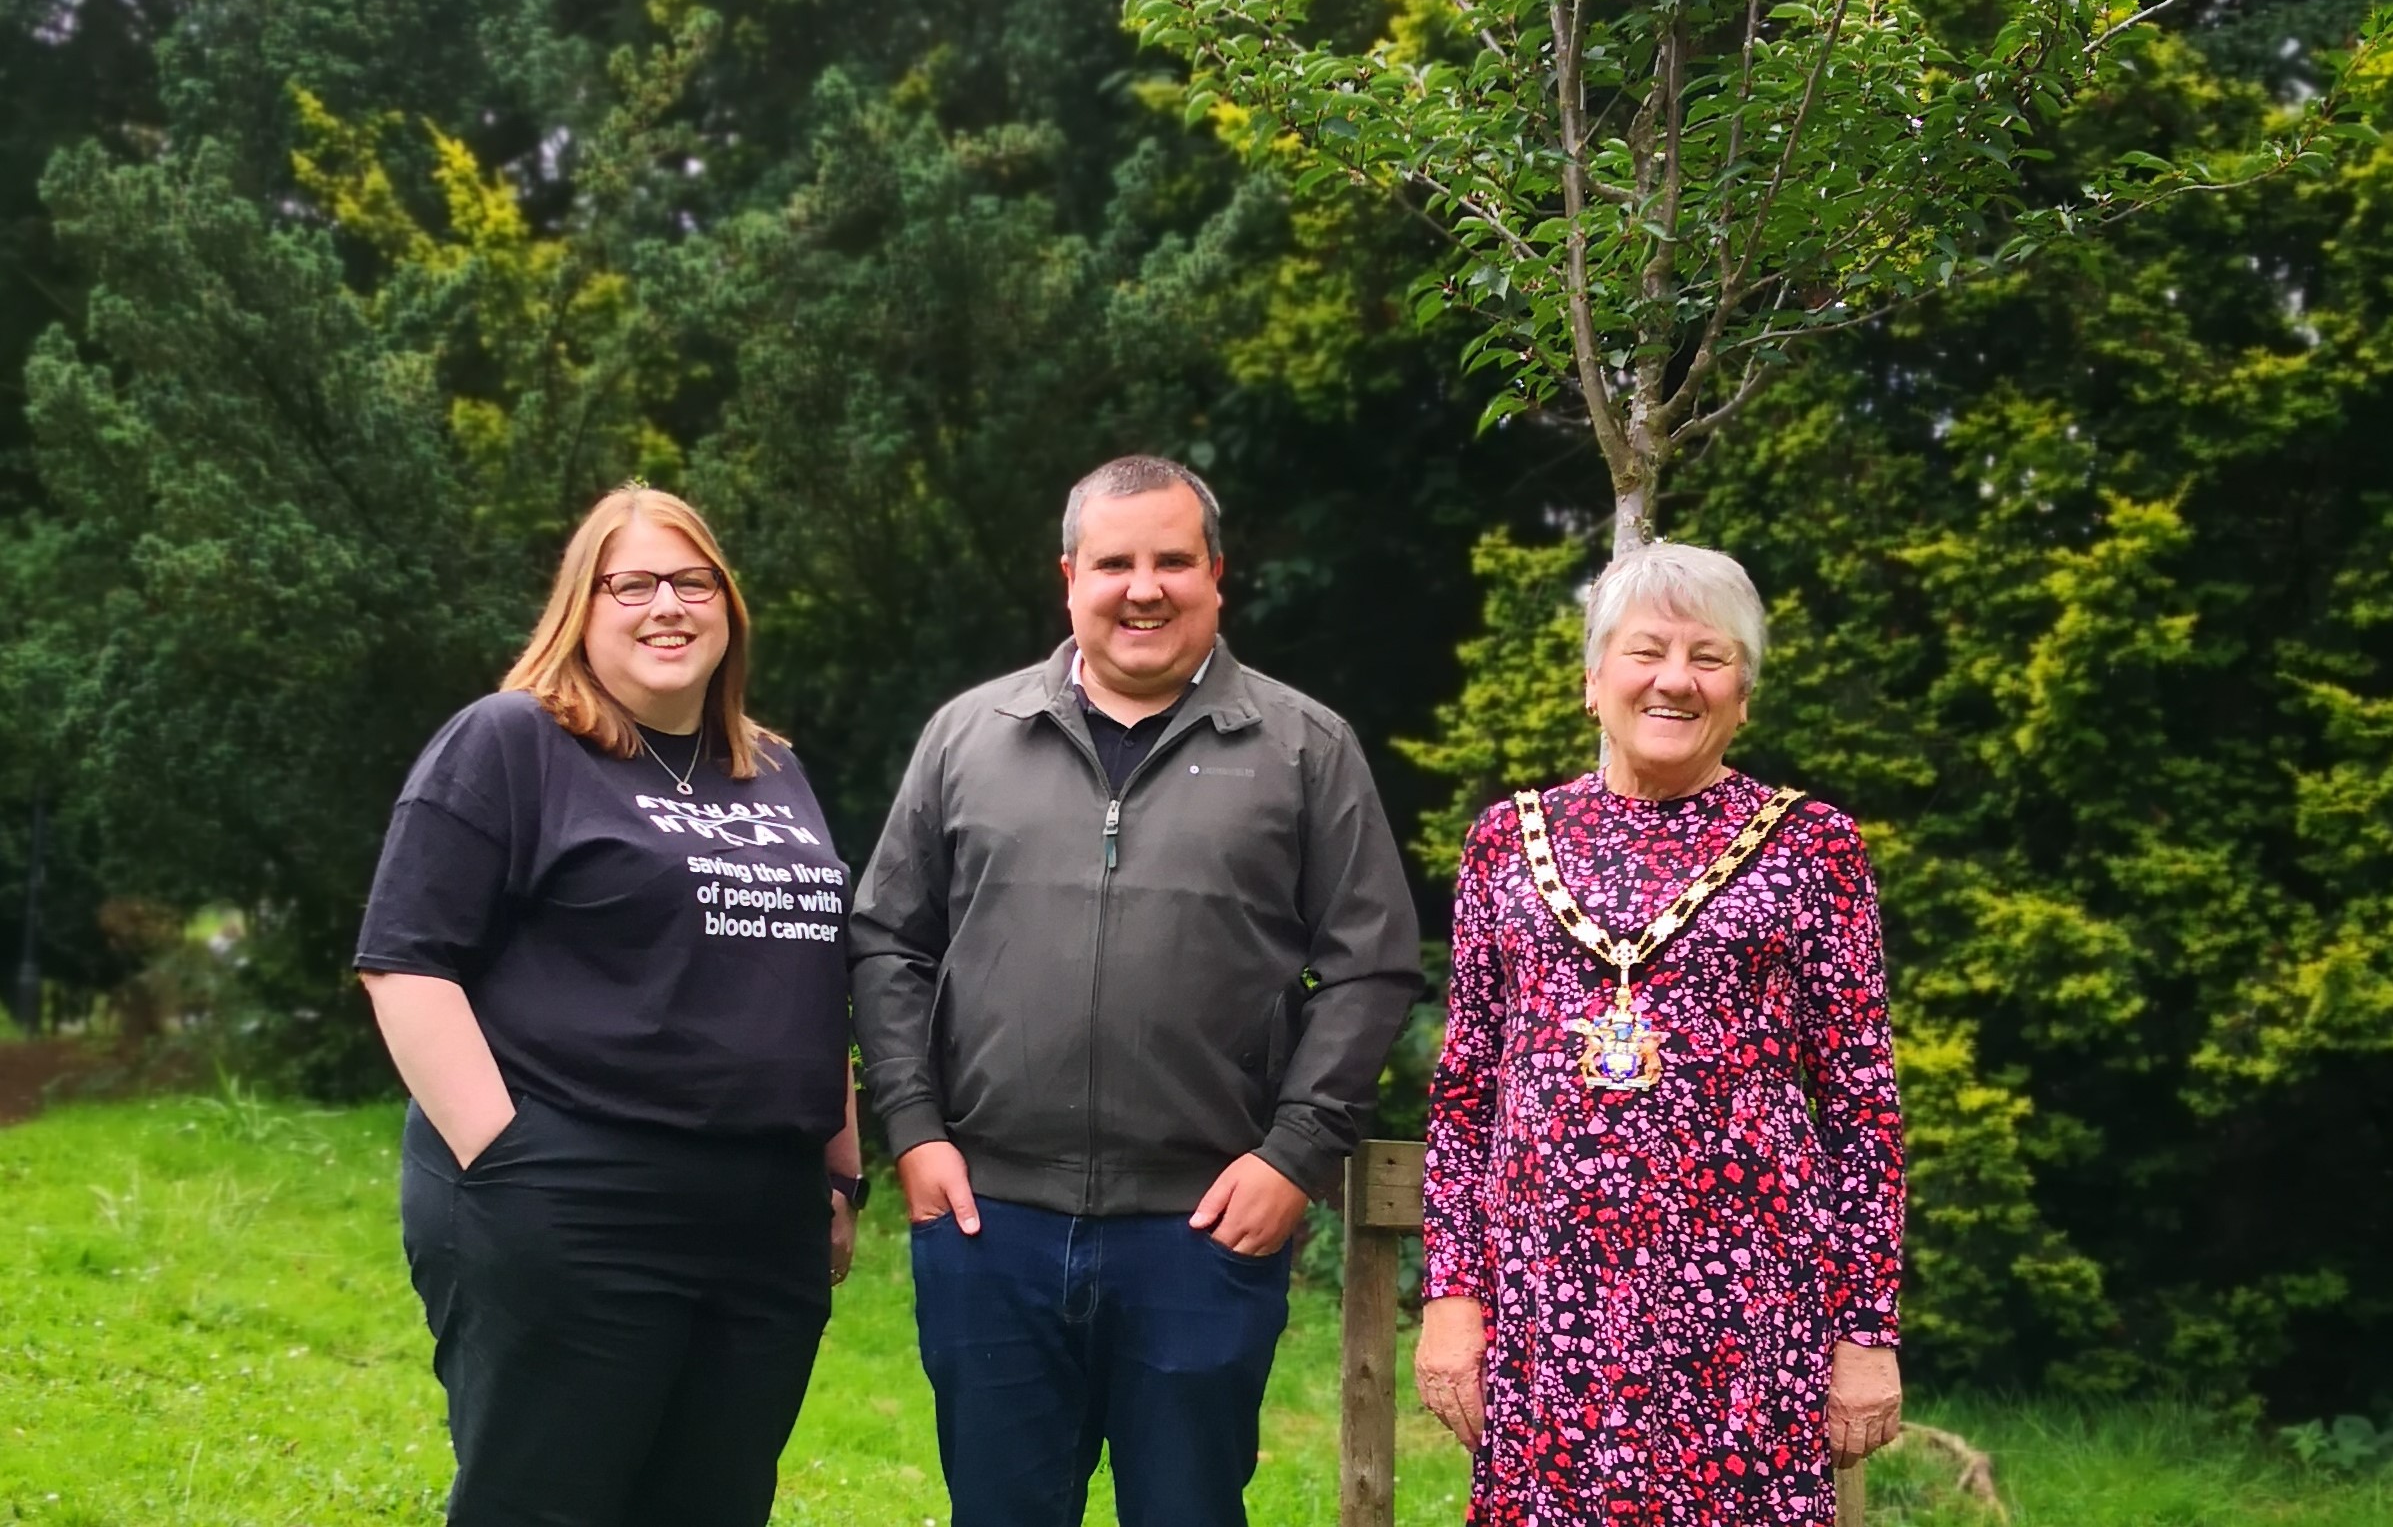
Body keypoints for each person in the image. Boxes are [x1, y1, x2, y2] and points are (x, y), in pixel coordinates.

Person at [850, 455, 1423, 1527]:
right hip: (990, 1225)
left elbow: (1371, 962)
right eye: (1114, 562)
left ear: (1216, 575)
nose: (1142, 587)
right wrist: (914, 1131)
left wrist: (1294, 1154)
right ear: (1069, 578)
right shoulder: (968, 737)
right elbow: (888, 940)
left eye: (1171, 560)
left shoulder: (1303, 748)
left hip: (1202, 1231)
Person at [354, 483, 865, 1527]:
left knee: (711, 1506)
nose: (666, 606)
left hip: (759, 1222)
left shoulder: (769, 769)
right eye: (630, 584)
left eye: (692, 582)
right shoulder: (512, 742)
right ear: (580, 609)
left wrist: (841, 1174)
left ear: (728, 608)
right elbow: (406, 962)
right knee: (547, 1505)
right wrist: (504, 1161)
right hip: (571, 1199)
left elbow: (811, 977)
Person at [1413, 540, 1905, 1526]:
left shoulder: (1812, 846)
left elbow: (1861, 1113)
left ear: (1743, 694)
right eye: (1645, 652)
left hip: (1744, 1322)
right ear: (1594, 680)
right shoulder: (1505, 842)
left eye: (1708, 657)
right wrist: (1450, 1298)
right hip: (1548, 1319)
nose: (1673, 680)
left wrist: (1865, 1332)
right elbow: (1464, 1098)